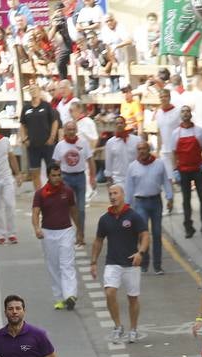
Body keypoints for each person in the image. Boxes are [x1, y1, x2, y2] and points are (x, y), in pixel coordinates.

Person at [90, 184, 150, 343]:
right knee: (109, 293)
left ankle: (133, 329)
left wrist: (140, 253)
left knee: (133, 298)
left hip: (131, 264)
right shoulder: (105, 219)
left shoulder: (133, 216)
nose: (112, 196)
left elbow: (145, 235)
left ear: (123, 195)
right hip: (112, 263)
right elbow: (98, 241)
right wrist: (93, 262)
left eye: (115, 193)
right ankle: (118, 326)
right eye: (110, 194)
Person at [33, 164, 82, 311]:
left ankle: (70, 295)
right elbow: (35, 213)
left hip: (66, 231)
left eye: (59, 175)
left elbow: (74, 211)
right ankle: (60, 298)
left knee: (67, 264)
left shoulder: (67, 191)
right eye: (54, 175)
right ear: (48, 176)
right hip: (48, 233)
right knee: (53, 266)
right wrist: (37, 228)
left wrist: (79, 230)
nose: (57, 178)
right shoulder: (41, 193)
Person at [125, 140, 171, 274]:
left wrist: (170, 197)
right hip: (140, 203)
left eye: (143, 149)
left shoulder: (159, 164)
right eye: (139, 149)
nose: (141, 151)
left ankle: (157, 265)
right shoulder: (132, 167)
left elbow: (166, 181)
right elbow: (129, 187)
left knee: (157, 233)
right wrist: (127, 205)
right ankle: (144, 263)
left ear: (148, 149)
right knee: (142, 234)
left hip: (156, 201)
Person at [167, 106, 202, 238]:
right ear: (181, 115)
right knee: (186, 200)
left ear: (191, 114)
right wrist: (175, 169)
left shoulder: (199, 131)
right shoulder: (176, 133)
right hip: (183, 171)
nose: (185, 113)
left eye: (187, 111)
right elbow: (173, 153)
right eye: (183, 111)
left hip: (197, 169)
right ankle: (188, 228)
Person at [52, 119, 93, 234]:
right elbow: (56, 165)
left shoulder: (83, 143)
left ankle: (81, 233)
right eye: (69, 129)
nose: (71, 132)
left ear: (76, 130)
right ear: (65, 131)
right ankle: (68, 232)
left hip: (80, 177)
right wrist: (55, 181)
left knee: (81, 208)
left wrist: (92, 177)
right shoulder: (60, 145)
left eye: (73, 129)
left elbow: (90, 160)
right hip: (66, 178)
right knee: (68, 207)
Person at [19, 82, 60, 189]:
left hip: (47, 144)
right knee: (34, 172)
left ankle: (53, 191)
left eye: (35, 89)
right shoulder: (26, 108)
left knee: (52, 171)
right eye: (31, 90)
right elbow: (22, 124)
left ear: (39, 91)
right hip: (33, 145)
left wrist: (52, 137)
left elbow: (55, 122)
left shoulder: (46, 106)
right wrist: (24, 138)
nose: (33, 92)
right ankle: (39, 195)